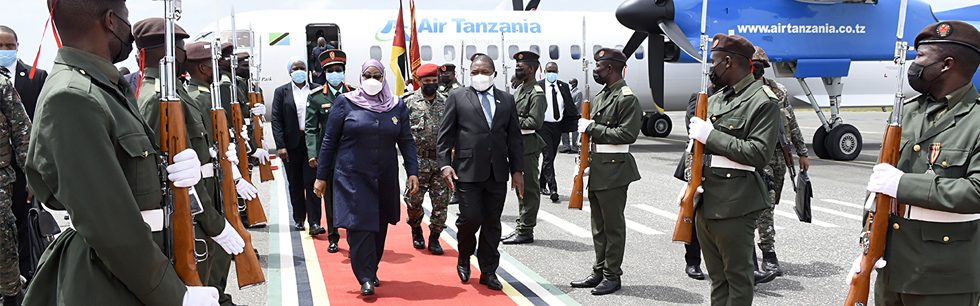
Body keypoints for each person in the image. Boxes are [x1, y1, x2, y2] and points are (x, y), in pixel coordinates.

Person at [23, 0, 218, 305]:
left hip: (133, 272)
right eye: (127, 20)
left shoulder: (105, 87)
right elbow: (110, 227)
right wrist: (173, 295)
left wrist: (177, 170)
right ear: (111, 21)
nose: (131, 32)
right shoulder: (73, 96)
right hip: (107, 278)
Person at [847, 21, 980, 306]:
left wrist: (903, 184)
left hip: (944, 275)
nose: (914, 65)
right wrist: (866, 249)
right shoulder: (906, 113)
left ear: (946, 65)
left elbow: (976, 192)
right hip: (891, 268)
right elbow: (878, 192)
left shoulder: (976, 120)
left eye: (921, 57)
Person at [133, 20, 248, 306]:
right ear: (170, 52)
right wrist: (212, 221)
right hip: (192, 214)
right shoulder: (159, 98)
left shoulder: (176, 93)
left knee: (211, 284)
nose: (183, 53)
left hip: (204, 205)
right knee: (200, 286)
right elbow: (165, 173)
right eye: (180, 47)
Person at [686, 34, 780, 305]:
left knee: (737, 279)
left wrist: (710, 135)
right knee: (718, 280)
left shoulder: (763, 101)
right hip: (706, 198)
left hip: (736, 202)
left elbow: (759, 154)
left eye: (714, 62)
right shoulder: (715, 100)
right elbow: (698, 149)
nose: (711, 68)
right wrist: (689, 182)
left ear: (728, 62)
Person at [313, 59, 419, 296]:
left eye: (377, 76)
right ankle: (365, 277)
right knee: (359, 227)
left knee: (379, 226)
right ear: (361, 78)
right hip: (352, 176)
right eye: (367, 76)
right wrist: (321, 177)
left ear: (384, 79)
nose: (372, 80)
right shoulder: (345, 102)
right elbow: (329, 141)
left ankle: (372, 268)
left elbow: (406, 141)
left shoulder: (397, 106)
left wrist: (412, 171)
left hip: (384, 175)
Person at [438, 53, 524, 291]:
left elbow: (514, 138)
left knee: (492, 223)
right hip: (466, 171)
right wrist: (445, 165)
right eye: (475, 72)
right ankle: (464, 256)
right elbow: (445, 135)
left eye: (485, 72)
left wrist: (517, 170)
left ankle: (488, 270)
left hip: (497, 172)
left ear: (494, 75)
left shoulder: (506, 100)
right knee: (470, 218)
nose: (479, 76)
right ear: (468, 74)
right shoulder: (457, 97)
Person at [569, 48, 642, 296]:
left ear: (610, 68)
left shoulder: (626, 98)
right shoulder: (601, 97)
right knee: (598, 226)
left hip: (615, 169)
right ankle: (599, 271)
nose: (596, 71)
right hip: (599, 167)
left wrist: (593, 128)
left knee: (613, 226)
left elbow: (627, 134)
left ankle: (612, 275)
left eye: (599, 67)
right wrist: (584, 163)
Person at [751, 46, 809, 277]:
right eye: (752, 65)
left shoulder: (778, 91)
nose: (756, 70)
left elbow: (791, 122)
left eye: (759, 66)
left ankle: (759, 246)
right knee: (766, 204)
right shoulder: (742, 92)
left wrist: (802, 152)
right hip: (758, 154)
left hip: (778, 155)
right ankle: (768, 254)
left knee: (771, 204)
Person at [0, 25, 46, 286]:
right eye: (0, 46)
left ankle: (25, 281)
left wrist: (33, 172)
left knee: (20, 227)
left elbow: (32, 128)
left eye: (10, 46)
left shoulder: (35, 77)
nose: (5, 51)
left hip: (18, 169)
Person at [305, 49, 354, 253]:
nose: (335, 73)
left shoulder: (354, 93)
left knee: (353, 199)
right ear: (324, 73)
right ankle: (334, 237)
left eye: (338, 70)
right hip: (331, 157)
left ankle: (353, 239)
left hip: (352, 156)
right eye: (331, 70)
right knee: (331, 199)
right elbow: (310, 128)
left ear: (344, 71)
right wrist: (312, 153)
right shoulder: (316, 97)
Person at [272, 57, 324, 236]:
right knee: (295, 183)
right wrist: (280, 145)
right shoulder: (281, 92)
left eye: (302, 68)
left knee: (312, 182)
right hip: (291, 145)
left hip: (312, 143)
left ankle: (315, 222)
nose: (299, 71)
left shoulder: (317, 89)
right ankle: (299, 219)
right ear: (290, 72)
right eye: (295, 68)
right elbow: (276, 120)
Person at [403, 63, 450, 255]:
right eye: (427, 81)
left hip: (441, 161)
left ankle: (435, 237)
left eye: (434, 80)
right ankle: (416, 228)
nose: (431, 84)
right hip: (418, 161)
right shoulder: (408, 102)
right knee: (413, 201)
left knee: (441, 203)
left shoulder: (447, 102)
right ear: (419, 81)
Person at [501, 51, 546, 245]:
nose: (517, 70)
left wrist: (510, 120)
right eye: (516, 67)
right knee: (520, 187)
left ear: (531, 69)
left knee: (528, 189)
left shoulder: (536, 92)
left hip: (527, 145)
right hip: (516, 144)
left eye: (521, 68)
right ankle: (521, 225)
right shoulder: (520, 89)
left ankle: (526, 230)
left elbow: (535, 121)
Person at [0, 74, 29, 305]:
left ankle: (11, 293)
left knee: (4, 240)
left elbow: (22, 132)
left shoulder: (1, 85)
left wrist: (31, 176)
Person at [537, 62, 577, 203]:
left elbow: (569, 106)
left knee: (551, 156)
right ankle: (553, 188)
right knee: (548, 155)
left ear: (557, 72)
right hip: (543, 126)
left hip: (557, 126)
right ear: (545, 72)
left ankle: (541, 184)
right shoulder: (538, 86)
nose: (551, 73)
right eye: (549, 71)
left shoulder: (563, 86)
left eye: (554, 71)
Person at [560, 78, 583, 154]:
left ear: (575, 84)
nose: (569, 84)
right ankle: (566, 147)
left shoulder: (578, 92)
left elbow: (577, 104)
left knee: (575, 132)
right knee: (564, 131)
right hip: (567, 114)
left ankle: (575, 147)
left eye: (571, 83)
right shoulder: (568, 91)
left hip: (574, 114)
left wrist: (568, 107)